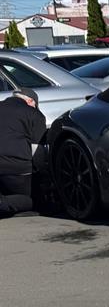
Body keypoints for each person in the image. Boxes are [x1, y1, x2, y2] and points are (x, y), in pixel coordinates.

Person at [0, 88, 46, 218]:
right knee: (33, 200)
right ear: (31, 101)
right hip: (17, 170)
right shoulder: (34, 114)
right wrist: (41, 175)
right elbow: (37, 151)